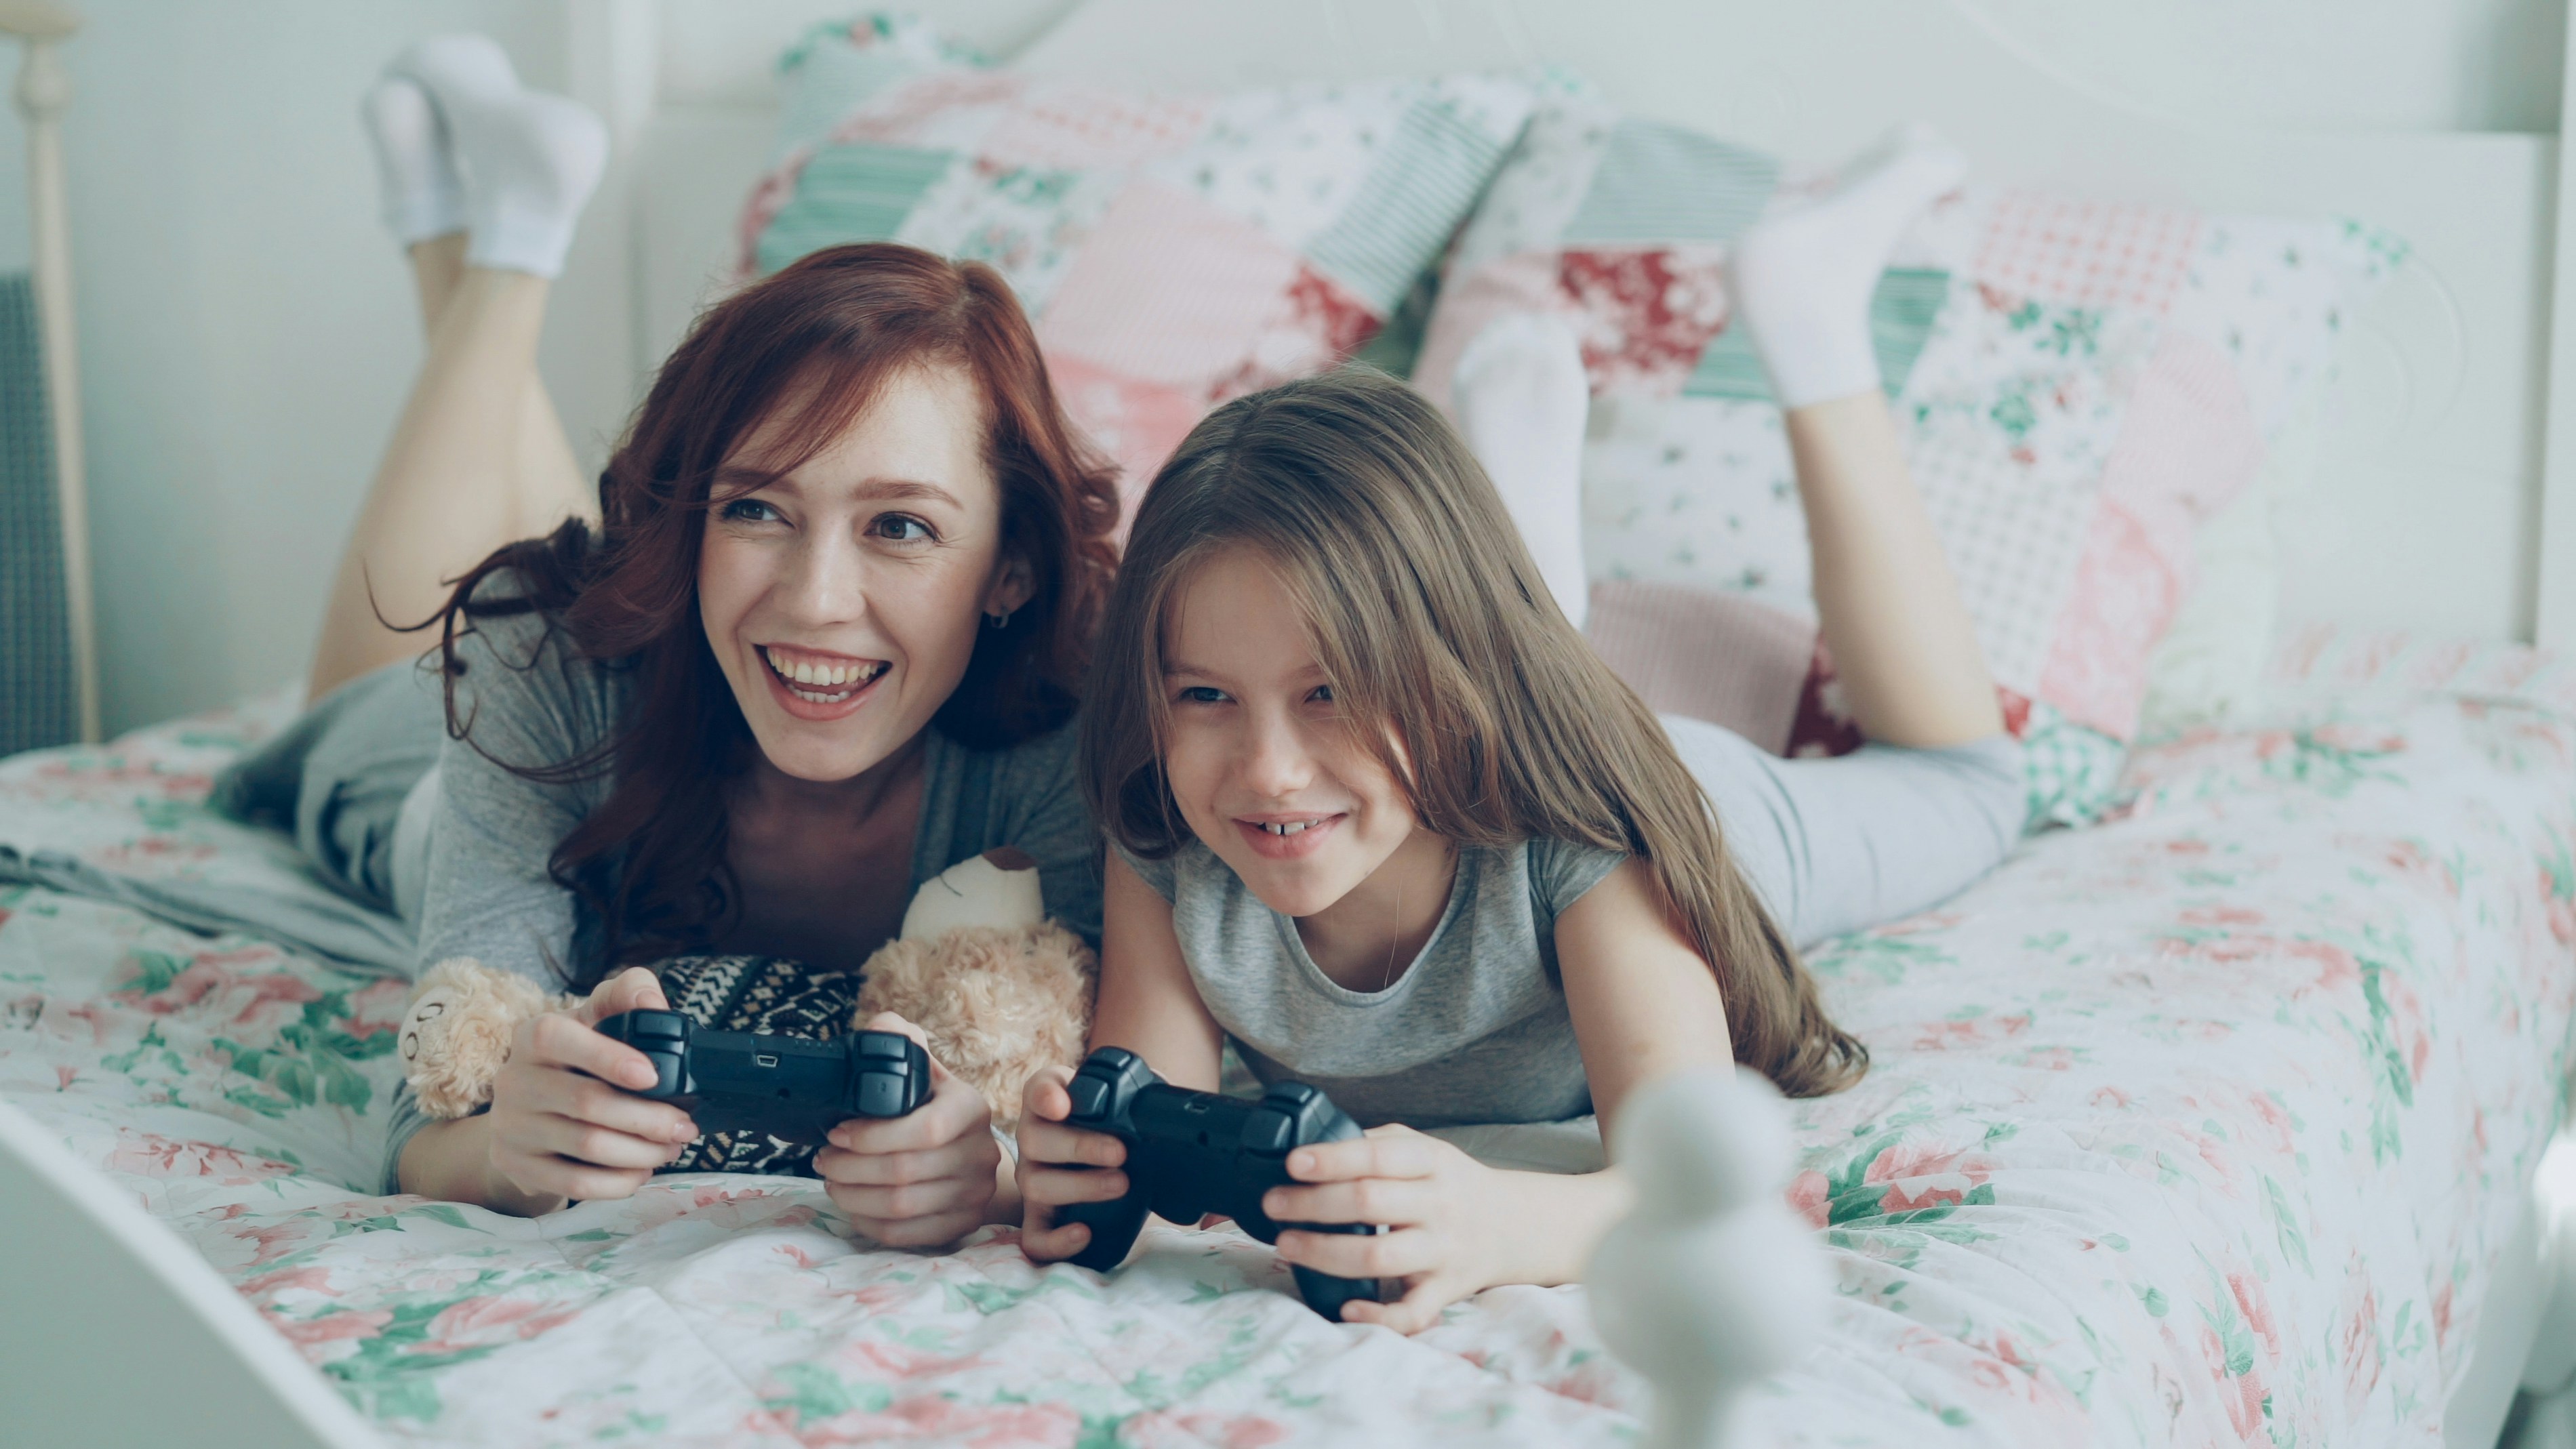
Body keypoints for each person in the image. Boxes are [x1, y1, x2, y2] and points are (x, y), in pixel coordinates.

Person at [1011, 132, 2025, 1332]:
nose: (1266, 771)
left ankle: (1812, 327)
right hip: (1471, 720)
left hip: (1678, 792)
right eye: (1204, 696)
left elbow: (1696, 1178)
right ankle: (1531, 592)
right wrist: (1083, 1170)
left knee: (1970, 782)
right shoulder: (1172, 826)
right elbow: (1161, 1126)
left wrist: (1502, 1222)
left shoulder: (1597, 840)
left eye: (1330, 690)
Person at [213, 37, 1118, 1244]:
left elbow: (1083, 1125)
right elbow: (421, 1128)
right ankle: (493, 255)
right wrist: (512, 1146)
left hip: (635, 640)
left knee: (567, 556)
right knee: (398, 659)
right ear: (693, 518)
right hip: (405, 774)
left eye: (900, 526)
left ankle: (484, 227)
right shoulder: (539, 670)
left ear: (1011, 566)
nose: (816, 599)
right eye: (755, 509)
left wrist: (987, 1175)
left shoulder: (1068, 749)